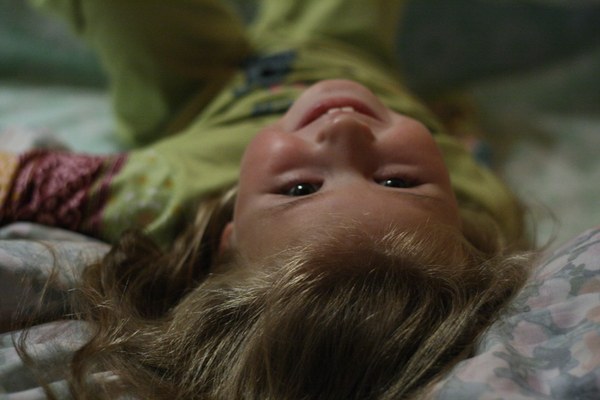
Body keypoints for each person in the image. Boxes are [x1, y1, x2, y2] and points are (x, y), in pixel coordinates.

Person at [0, 0, 533, 398]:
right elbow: (473, 166)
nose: (344, 128)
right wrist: (459, 131)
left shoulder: (169, 195)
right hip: (349, 59)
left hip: (199, 86)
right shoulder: (480, 202)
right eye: (397, 181)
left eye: (301, 188)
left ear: (228, 238)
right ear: (461, 223)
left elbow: (24, 183)